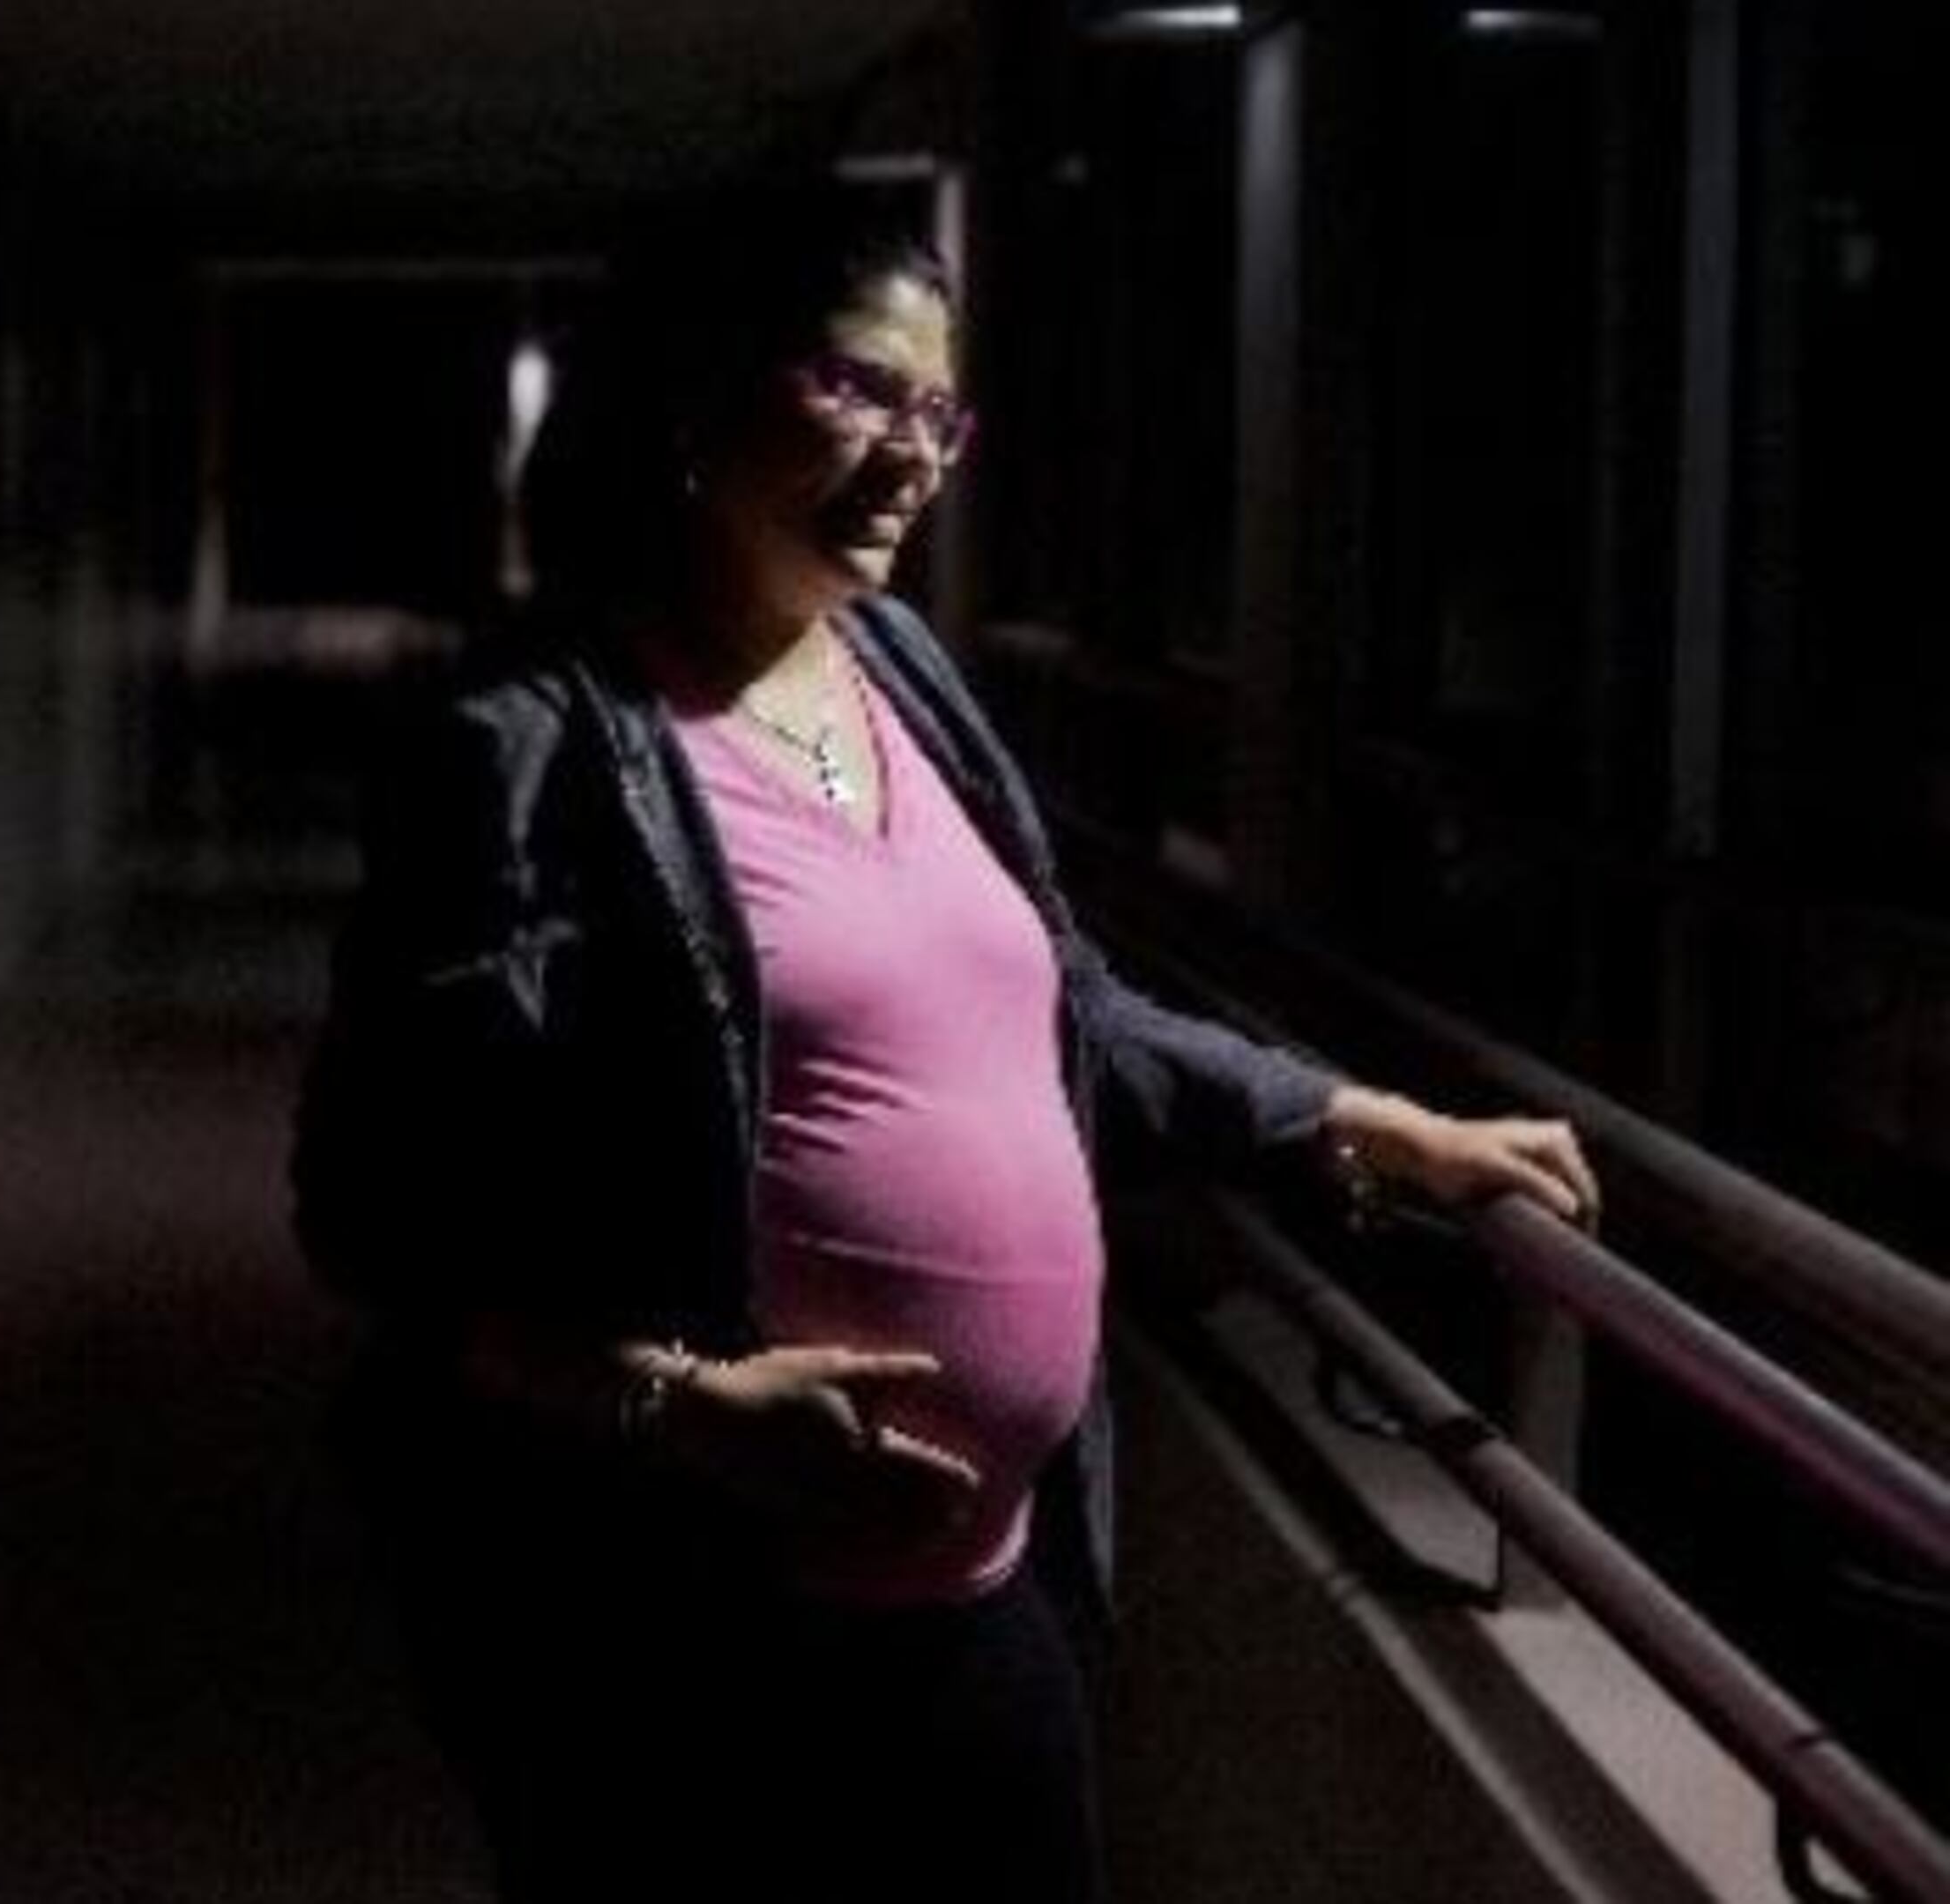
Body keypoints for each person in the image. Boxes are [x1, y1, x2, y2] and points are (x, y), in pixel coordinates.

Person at [287, 184, 1598, 1903]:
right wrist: (680, 1406)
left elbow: (1064, 1019)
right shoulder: (531, 743)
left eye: (939, 412)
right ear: (699, 395)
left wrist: (1346, 1117)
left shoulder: (900, 668)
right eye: (855, 388)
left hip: (984, 1596)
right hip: (693, 1622)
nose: (912, 452)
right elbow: (370, 1211)